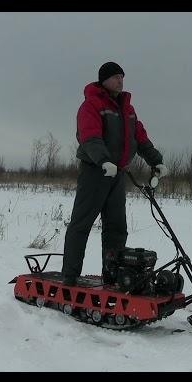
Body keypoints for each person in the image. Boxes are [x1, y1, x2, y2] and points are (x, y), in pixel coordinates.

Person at [61, 61, 168, 285]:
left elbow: (140, 138)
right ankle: (69, 277)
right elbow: (89, 136)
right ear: (104, 80)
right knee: (82, 224)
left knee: (116, 228)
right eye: (116, 76)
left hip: (117, 175)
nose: (120, 80)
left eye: (122, 76)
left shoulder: (128, 110)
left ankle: (112, 276)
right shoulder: (91, 105)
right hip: (95, 172)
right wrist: (103, 160)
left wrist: (156, 161)